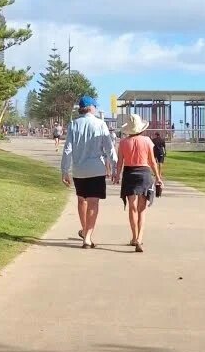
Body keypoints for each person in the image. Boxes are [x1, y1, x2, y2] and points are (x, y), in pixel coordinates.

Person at [60, 96, 116, 248]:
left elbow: (67, 149)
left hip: (79, 169)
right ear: (91, 107)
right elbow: (109, 148)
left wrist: (64, 170)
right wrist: (115, 167)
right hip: (96, 168)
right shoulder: (100, 124)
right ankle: (88, 236)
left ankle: (85, 230)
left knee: (81, 200)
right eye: (95, 107)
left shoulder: (74, 124)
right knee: (93, 202)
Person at [113, 114, 162, 253]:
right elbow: (152, 161)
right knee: (142, 209)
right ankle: (140, 238)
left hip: (129, 174)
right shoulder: (147, 141)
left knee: (132, 208)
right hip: (144, 173)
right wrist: (158, 177)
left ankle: (134, 237)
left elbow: (120, 162)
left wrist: (117, 176)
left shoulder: (122, 142)